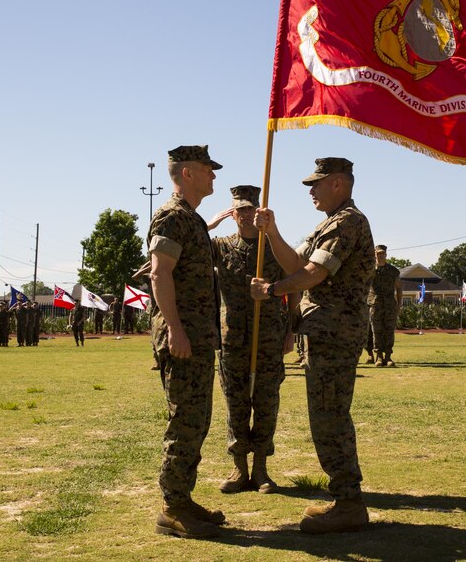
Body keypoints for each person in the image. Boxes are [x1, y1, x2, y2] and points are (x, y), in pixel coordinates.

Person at [251, 157, 375, 534]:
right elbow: (295, 263)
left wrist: (272, 290)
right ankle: (345, 498)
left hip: (336, 333)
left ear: (338, 183)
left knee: (330, 416)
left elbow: (313, 274)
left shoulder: (348, 222)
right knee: (326, 414)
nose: (310, 191)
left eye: (316, 184)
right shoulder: (329, 224)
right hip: (325, 333)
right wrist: (272, 232)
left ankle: (348, 502)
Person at [148, 145, 226, 539]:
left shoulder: (191, 220)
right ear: (188, 173)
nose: (214, 175)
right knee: (186, 421)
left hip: (196, 337)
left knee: (197, 422)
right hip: (183, 338)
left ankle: (183, 498)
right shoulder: (171, 217)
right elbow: (159, 275)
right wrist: (175, 329)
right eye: (207, 169)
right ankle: (172, 508)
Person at [208, 185, 292, 495]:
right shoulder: (221, 246)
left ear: (258, 210)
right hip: (233, 339)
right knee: (236, 403)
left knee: (266, 401)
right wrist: (211, 223)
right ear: (232, 213)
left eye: (249, 209)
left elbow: (294, 273)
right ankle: (239, 468)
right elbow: (187, 244)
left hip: (268, 335)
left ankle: (261, 470)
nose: (244, 215)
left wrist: (291, 330)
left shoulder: (272, 246)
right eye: (238, 209)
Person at [368, 244, 402, 366]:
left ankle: (388, 357)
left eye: (382, 254)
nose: (380, 256)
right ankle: (378, 357)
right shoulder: (370, 270)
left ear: (386, 255)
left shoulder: (393, 271)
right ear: (374, 255)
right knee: (376, 331)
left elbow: (399, 288)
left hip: (389, 305)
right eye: (378, 254)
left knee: (389, 331)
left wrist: (398, 306)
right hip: (375, 305)